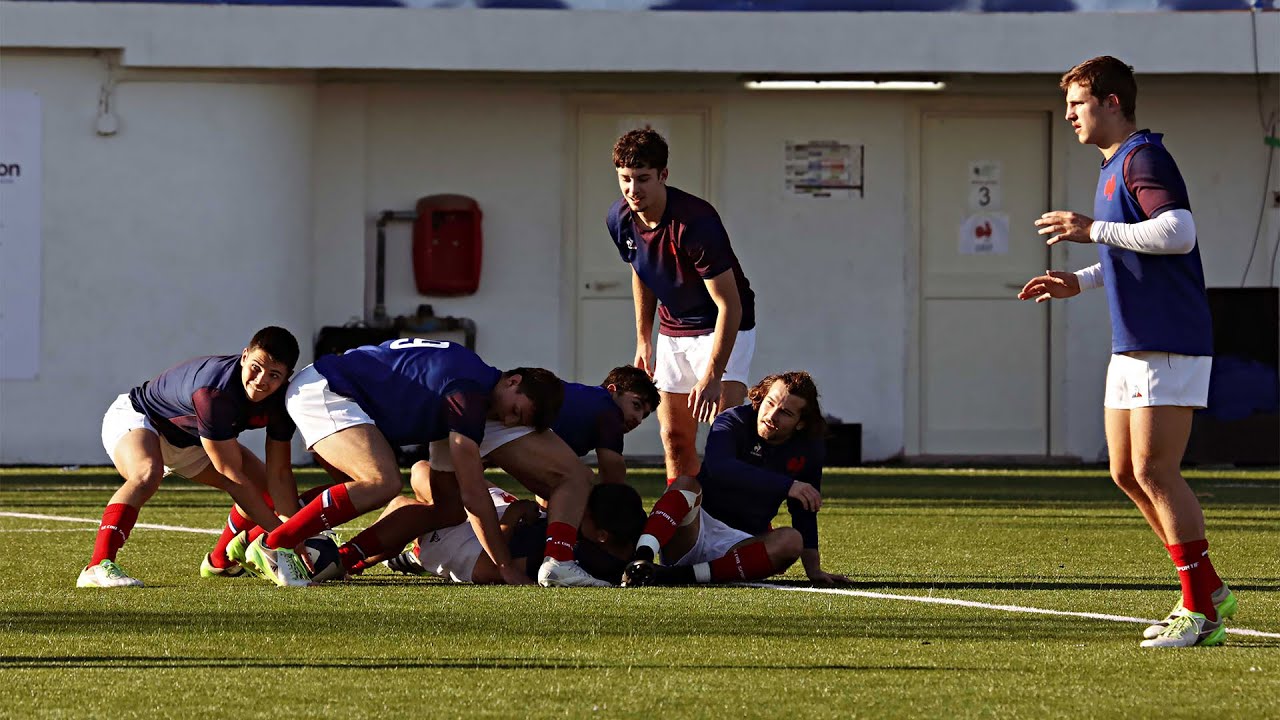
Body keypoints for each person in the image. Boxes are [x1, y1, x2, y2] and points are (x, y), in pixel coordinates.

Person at [1017, 55, 1236, 648]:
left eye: (1078, 104)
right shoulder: (1112, 164)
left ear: (1112, 102)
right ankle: (1206, 588)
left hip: (1169, 339)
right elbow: (1130, 247)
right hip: (1135, 340)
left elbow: (1177, 232)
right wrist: (1081, 280)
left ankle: (1202, 612)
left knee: (1155, 470)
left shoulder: (1144, 156)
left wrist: (1093, 230)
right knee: (1125, 472)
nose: (1069, 116)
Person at [244, 337, 601, 588]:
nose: (508, 422)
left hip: (346, 390)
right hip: (327, 388)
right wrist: (505, 566)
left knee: (445, 510)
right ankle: (276, 542)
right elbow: (475, 493)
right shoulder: (467, 394)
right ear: (513, 380)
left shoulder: (475, 388)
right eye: (515, 411)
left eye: (517, 422)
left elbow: (463, 501)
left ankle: (344, 557)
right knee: (381, 482)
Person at [326, 365, 659, 579]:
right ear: (613, 390)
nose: (637, 419)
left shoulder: (585, 408)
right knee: (577, 481)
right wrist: (616, 514)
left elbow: (545, 490)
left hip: (465, 524)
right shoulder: (606, 413)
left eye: (645, 415)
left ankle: (334, 554)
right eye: (636, 405)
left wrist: (522, 517)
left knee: (426, 485)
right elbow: (612, 474)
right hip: (486, 428)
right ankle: (559, 561)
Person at [79, 326, 300, 588]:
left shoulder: (283, 401)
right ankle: (97, 566)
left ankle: (220, 562)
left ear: (287, 377)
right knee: (147, 473)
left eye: (274, 375)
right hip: (144, 419)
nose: (261, 380)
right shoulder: (214, 393)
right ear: (244, 356)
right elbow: (232, 476)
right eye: (256, 367)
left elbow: (280, 474)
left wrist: (297, 534)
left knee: (266, 491)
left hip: (193, 439)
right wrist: (284, 539)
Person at [608, 127, 757, 480]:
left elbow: (729, 306)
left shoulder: (696, 223)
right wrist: (644, 339)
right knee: (674, 438)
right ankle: (683, 526)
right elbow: (641, 270)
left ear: (664, 175)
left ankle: (741, 528)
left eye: (643, 179)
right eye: (625, 179)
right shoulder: (619, 218)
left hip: (721, 327)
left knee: (724, 438)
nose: (633, 190)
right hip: (673, 331)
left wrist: (713, 375)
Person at [621, 372, 849, 587]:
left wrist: (814, 570)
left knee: (791, 541)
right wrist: (787, 485)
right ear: (761, 398)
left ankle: (672, 576)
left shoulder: (809, 448)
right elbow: (720, 467)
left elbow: (805, 508)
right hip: (694, 529)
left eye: (785, 413)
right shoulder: (733, 420)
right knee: (685, 484)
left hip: (740, 545)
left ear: (801, 423)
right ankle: (641, 559)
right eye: (770, 403)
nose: (771, 416)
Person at [385, 480, 646, 586]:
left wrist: (515, 513)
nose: (575, 515)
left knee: (404, 502)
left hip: (471, 541)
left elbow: (489, 568)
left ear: (601, 534)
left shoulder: (582, 556)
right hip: (498, 517)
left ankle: (412, 554)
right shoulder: (623, 544)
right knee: (423, 470)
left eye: (583, 514)